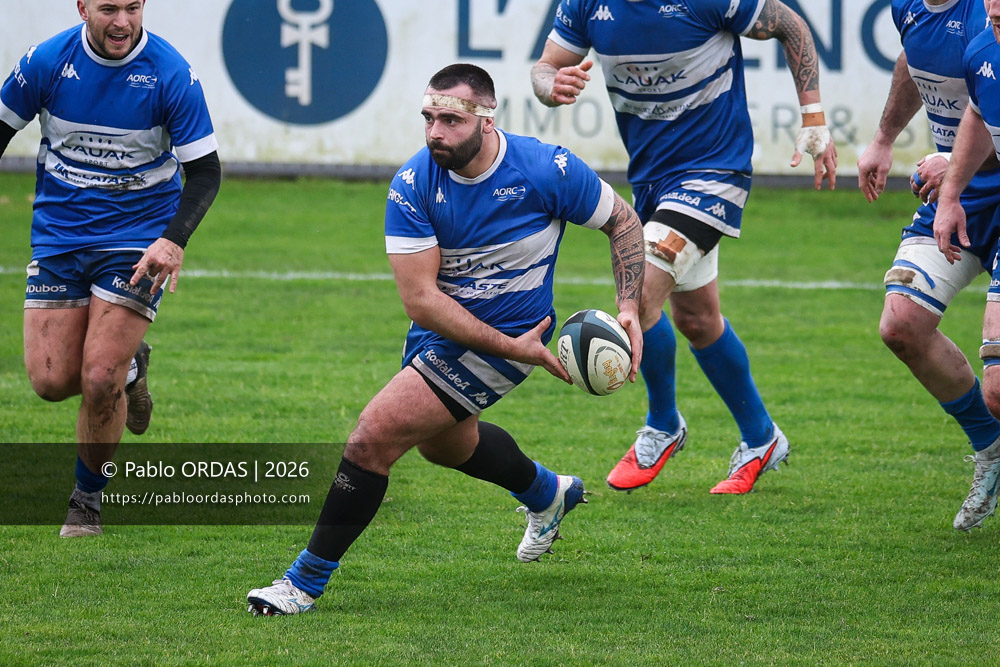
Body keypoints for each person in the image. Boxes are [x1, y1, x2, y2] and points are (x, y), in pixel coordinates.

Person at [245, 63, 644, 616]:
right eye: (429, 118)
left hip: (513, 333)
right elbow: (421, 301)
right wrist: (512, 350)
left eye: (450, 119)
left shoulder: (544, 169)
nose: (435, 131)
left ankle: (301, 583)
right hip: (445, 332)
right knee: (444, 445)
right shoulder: (413, 185)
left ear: (486, 118)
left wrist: (628, 308)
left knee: (372, 438)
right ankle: (549, 494)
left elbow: (623, 222)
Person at [531, 0, 837, 495]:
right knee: (696, 319)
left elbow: (792, 26)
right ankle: (762, 438)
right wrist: (550, 85)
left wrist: (814, 117)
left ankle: (662, 424)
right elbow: (545, 68)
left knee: (641, 286)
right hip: (652, 181)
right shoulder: (586, 3)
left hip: (716, 172)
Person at [0, 0, 221, 536]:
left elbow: (206, 173)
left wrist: (172, 240)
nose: (121, 21)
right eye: (107, 8)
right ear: (82, 7)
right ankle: (131, 367)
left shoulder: (170, 74)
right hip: (59, 232)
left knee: (97, 378)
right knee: (51, 382)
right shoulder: (46, 62)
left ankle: (86, 500)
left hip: (137, 239)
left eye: (132, 7)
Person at [858, 0, 1000, 531]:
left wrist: (955, 166)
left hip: (964, 184)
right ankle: (990, 449)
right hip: (956, 198)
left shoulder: (985, 19)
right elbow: (916, 63)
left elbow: (987, 106)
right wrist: (883, 139)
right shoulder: (911, 8)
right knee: (901, 324)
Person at [932, 0, 1000, 531]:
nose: (994, 6)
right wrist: (952, 186)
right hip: (978, 204)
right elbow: (979, 111)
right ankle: (991, 451)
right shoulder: (984, 49)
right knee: (900, 323)